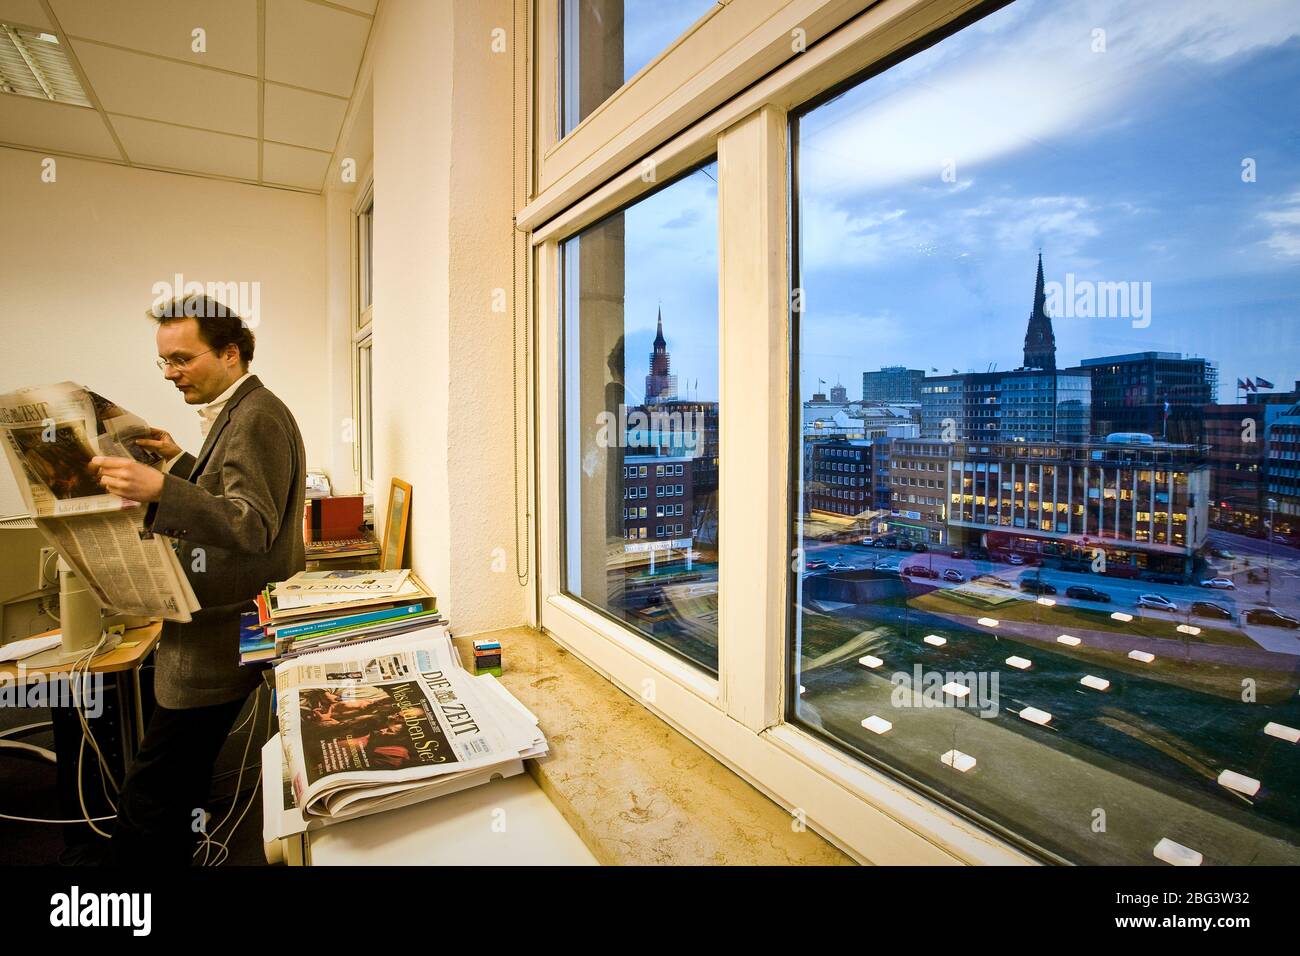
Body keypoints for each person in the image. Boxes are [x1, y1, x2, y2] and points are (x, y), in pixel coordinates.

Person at [89, 293, 306, 866]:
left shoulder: (257, 415)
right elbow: (228, 492)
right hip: (220, 624)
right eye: (164, 361)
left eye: (182, 359)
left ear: (231, 353)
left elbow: (252, 523)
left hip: (225, 630)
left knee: (161, 774)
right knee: (175, 770)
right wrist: (182, 461)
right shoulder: (241, 410)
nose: (171, 374)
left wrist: (162, 490)